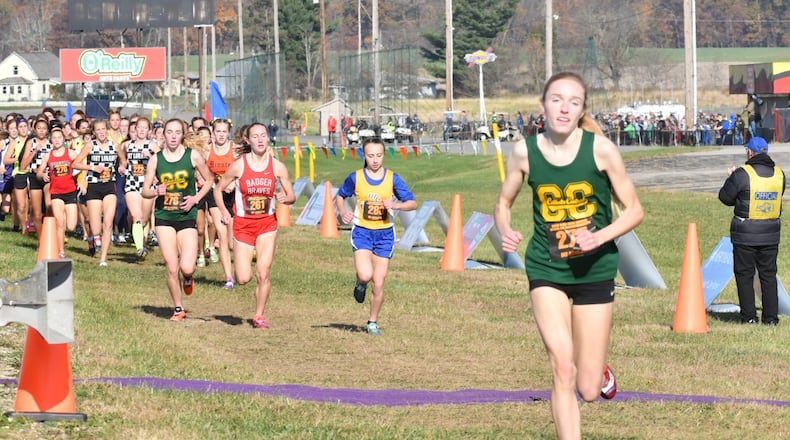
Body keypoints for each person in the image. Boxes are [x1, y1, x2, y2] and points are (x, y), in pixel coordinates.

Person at [493, 72, 644, 439]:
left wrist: (599, 237)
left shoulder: (601, 149)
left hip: (596, 269)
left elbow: (635, 210)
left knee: (589, 389)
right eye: (556, 99)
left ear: (581, 111)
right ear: (542, 105)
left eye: (573, 102)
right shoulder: (524, 151)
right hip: (547, 268)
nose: (564, 108)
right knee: (563, 365)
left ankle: (599, 371)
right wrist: (506, 230)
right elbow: (503, 202)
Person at [214, 122, 295, 329]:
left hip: (267, 225)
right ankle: (249, 271)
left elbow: (291, 194)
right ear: (247, 141)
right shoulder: (239, 165)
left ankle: (258, 315)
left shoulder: (277, 166)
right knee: (243, 278)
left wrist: (285, 198)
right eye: (255, 136)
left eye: (263, 135)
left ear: (268, 138)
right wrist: (224, 210)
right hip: (242, 226)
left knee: (263, 273)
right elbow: (218, 189)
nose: (260, 139)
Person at [335, 137, 418, 336]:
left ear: (383, 155)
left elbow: (412, 203)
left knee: (379, 282)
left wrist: (396, 205)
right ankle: (360, 283)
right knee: (365, 274)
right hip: (362, 232)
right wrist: (343, 211)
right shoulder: (356, 177)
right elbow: (340, 196)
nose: (375, 160)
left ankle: (372, 322)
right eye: (371, 155)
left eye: (379, 155)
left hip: (385, 234)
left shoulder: (392, 178)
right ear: (364, 155)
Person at [142, 119, 214, 322]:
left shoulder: (193, 157)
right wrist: (156, 190)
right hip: (164, 217)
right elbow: (145, 191)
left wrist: (196, 199)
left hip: (186, 217)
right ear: (163, 134)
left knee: (187, 268)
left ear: (183, 134)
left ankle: (189, 278)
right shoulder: (156, 160)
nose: (173, 136)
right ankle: (178, 308)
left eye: (177, 132)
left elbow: (209, 180)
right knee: (172, 267)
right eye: (169, 132)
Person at [718, 136, 785, 326]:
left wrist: (730, 178)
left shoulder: (741, 174)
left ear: (750, 152)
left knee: (745, 275)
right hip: (771, 234)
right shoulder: (780, 174)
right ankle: (771, 318)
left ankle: (749, 317)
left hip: (745, 234)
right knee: (768, 275)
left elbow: (725, 198)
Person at [71, 119, 119, 266]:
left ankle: (103, 259)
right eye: (98, 130)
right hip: (94, 186)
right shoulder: (90, 145)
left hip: (109, 186)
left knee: (108, 224)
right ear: (94, 132)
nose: (101, 132)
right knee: (96, 228)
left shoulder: (114, 145)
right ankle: (92, 238)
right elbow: (75, 163)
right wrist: (92, 168)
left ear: (107, 130)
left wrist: (123, 166)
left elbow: (124, 160)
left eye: (103, 129)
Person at [118, 117, 159, 260]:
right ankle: (140, 248)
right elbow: (119, 150)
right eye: (139, 127)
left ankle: (142, 241)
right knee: (136, 216)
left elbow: (164, 160)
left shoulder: (152, 145)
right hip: (132, 183)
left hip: (147, 185)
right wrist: (123, 163)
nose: (141, 130)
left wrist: (153, 157)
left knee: (144, 219)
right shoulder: (128, 145)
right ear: (135, 129)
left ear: (149, 131)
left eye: (144, 128)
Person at [34, 127, 79, 257]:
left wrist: (82, 180)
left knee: (71, 226)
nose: (57, 140)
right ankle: (61, 251)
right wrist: (43, 176)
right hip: (56, 192)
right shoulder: (48, 156)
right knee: (59, 222)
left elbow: (82, 164)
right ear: (51, 140)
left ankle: (64, 236)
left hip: (70, 192)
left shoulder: (71, 153)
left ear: (63, 139)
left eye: (59, 137)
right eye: (54, 138)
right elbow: (39, 172)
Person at [206, 118, 237, 288]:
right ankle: (229, 278)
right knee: (222, 235)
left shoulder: (235, 150)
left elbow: (244, 171)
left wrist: (234, 183)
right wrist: (212, 183)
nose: (221, 135)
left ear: (228, 133)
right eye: (218, 131)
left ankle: (239, 269)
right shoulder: (207, 150)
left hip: (232, 196)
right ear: (213, 133)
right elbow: (201, 172)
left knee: (232, 242)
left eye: (224, 131)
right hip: (214, 195)